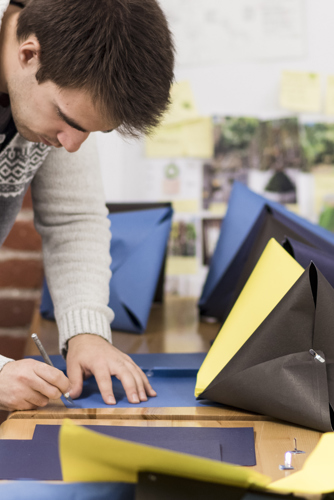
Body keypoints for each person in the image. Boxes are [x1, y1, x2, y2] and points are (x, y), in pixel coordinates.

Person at [0, 0, 175, 410]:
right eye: (68, 120)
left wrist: (87, 332)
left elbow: (73, 219)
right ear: (29, 54)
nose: (73, 144)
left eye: (92, 131)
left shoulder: (56, 93)